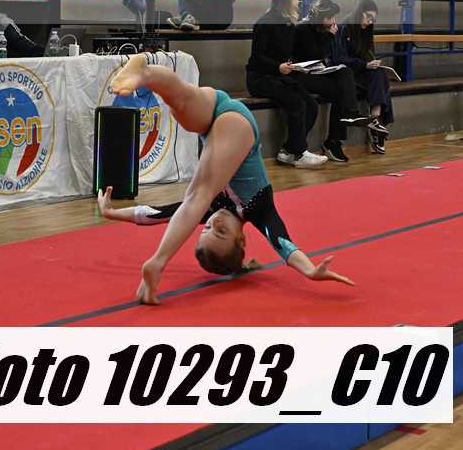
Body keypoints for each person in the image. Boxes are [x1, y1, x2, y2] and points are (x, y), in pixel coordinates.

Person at [103, 53, 354, 305]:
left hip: (215, 113)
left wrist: (111, 213)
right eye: (221, 231)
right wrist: (310, 270)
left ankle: (145, 73)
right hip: (238, 125)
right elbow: (283, 244)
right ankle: (158, 262)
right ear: (241, 239)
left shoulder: (211, 210)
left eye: (208, 228)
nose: (214, 221)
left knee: (181, 103)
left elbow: (156, 214)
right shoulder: (259, 209)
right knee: (197, 196)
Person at [246, 0, 327, 168]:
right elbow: (256, 58)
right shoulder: (265, 22)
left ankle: (290, 150)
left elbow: (291, 52)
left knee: (311, 105)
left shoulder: (289, 23)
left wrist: (300, 66)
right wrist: (278, 67)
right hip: (260, 78)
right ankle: (298, 153)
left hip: (280, 76)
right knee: (296, 102)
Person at [292, 0, 377, 164]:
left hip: (316, 72)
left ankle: (343, 125)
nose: (334, 21)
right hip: (301, 75)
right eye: (331, 17)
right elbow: (315, 54)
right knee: (342, 88)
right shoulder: (302, 29)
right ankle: (335, 138)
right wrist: (330, 36)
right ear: (321, 17)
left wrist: (329, 37)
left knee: (345, 74)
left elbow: (325, 56)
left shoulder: (323, 29)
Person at [335, 0, 394, 155]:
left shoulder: (367, 30)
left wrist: (372, 62)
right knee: (382, 83)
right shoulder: (344, 28)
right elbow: (340, 58)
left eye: (372, 19)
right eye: (368, 16)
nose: (369, 21)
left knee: (380, 74)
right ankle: (377, 124)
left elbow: (368, 53)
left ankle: (374, 118)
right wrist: (365, 64)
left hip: (362, 71)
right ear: (359, 12)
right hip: (347, 74)